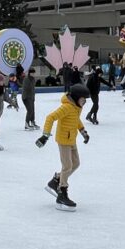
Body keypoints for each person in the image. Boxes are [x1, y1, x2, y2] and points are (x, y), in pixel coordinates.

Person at [36, 83, 90, 211]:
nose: (85, 102)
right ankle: (62, 193)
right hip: (63, 140)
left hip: (72, 139)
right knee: (67, 166)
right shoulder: (66, 107)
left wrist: (83, 132)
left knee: (75, 164)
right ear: (76, 98)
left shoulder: (76, 107)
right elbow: (50, 117)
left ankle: (56, 180)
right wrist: (45, 135)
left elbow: (76, 119)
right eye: (83, 99)